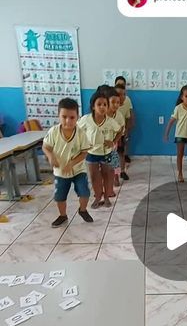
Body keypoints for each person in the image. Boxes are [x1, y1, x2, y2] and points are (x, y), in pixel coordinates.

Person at [42, 98, 93, 228]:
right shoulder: (53, 132)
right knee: (60, 196)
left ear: (77, 117)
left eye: (72, 117)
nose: (68, 121)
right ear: (58, 115)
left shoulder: (80, 134)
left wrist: (72, 163)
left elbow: (84, 152)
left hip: (78, 170)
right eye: (64, 117)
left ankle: (82, 210)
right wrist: (50, 156)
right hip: (60, 172)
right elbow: (45, 147)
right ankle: (62, 215)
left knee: (85, 192)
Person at [78, 91, 122, 209]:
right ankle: (98, 197)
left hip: (107, 153)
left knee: (107, 176)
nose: (102, 107)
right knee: (94, 176)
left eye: (105, 105)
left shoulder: (110, 122)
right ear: (93, 106)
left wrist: (113, 142)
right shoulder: (86, 120)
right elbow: (77, 132)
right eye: (99, 104)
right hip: (91, 153)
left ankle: (107, 197)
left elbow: (120, 130)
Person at [164, 85, 187, 183]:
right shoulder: (178, 108)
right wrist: (166, 133)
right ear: (182, 97)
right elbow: (171, 121)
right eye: (186, 96)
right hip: (180, 135)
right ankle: (180, 174)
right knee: (180, 154)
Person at [103, 86, 127, 186]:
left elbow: (121, 130)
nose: (116, 105)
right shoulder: (102, 114)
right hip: (101, 145)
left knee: (114, 161)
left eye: (117, 102)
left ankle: (116, 178)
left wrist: (114, 141)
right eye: (113, 102)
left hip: (113, 143)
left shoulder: (119, 116)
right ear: (107, 102)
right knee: (103, 164)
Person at [115, 77, 134, 163]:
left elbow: (129, 115)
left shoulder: (127, 100)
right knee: (113, 157)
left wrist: (127, 129)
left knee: (121, 152)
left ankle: (121, 171)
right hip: (110, 135)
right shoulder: (109, 102)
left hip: (120, 131)